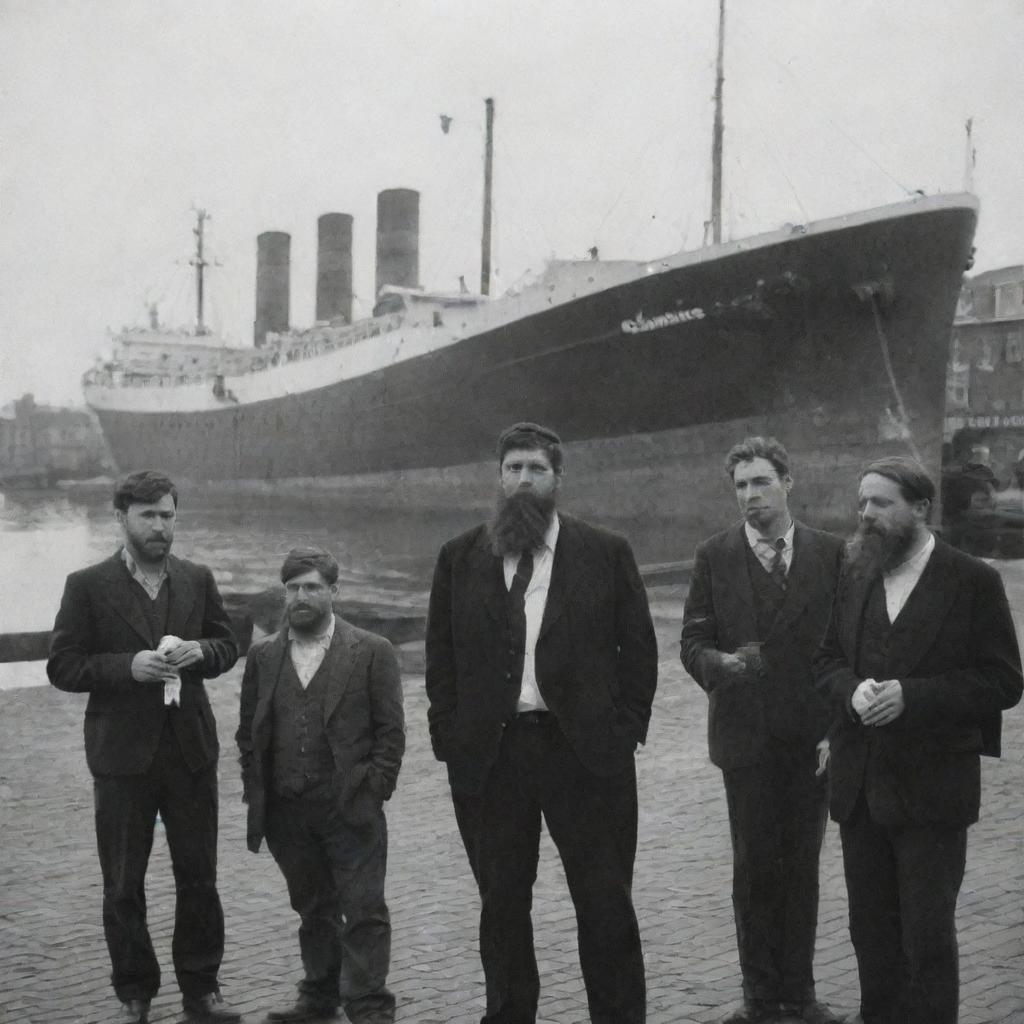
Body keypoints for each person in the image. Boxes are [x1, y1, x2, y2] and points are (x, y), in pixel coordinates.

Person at [425, 422, 658, 1024]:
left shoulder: (605, 552)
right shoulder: (459, 556)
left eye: (535, 469)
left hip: (583, 753)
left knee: (604, 901)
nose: (522, 480)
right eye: (512, 469)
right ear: (498, 478)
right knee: (501, 904)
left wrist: (624, 728)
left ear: (558, 478)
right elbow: (440, 657)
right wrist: (449, 736)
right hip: (492, 756)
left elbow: (639, 650)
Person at [814, 456, 1023, 1024]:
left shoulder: (972, 579)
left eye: (880, 503)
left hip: (932, 793)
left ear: (920, 507)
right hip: (860, 791)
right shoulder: (855, 569)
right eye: (862, 502)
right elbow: (827, 659)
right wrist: (852, 691)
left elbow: (1005, 680)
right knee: (870, 937)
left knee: (927, 941)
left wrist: (914, 695)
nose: (866, 515)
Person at [47, 470, 240, 1024]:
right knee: (123, 883)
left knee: (198, 877)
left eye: (167, 515)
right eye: (147, 515)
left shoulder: (197, 578)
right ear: (122, 518)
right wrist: (126, 667)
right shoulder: (87, 584)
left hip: (190, 754)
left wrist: (201, 651)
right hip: (121, 759)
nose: (159, 526)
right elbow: (63, 665)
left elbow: (227, 645)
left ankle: (201, 990)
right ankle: (135, 992)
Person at [680, 437, 844, 1024]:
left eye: (761, 483)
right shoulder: (715, 555)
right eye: (741, 486)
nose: (751, 496)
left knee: (802, 864)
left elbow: (850, 648)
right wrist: (717, 666)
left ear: (788, 482)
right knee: (753, 867)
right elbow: (692, 640)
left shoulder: (831, 554)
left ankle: (799, 996)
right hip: (744, 738)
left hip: (810, 741)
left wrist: (837, 729)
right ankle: (758, 998)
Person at [237, 546, 405, 1024]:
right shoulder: (264, 655)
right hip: (288, 809)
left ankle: (370, 1007)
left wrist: (373, 787)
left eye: (312, 586)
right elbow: (250, 730)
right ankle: (318, 998)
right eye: (292, 588)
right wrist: (258, 787)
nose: (301, 596)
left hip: (349, 806)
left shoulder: (371, 651)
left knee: (364, 909)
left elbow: (391, 733)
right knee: (313, 907)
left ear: (334, 590)